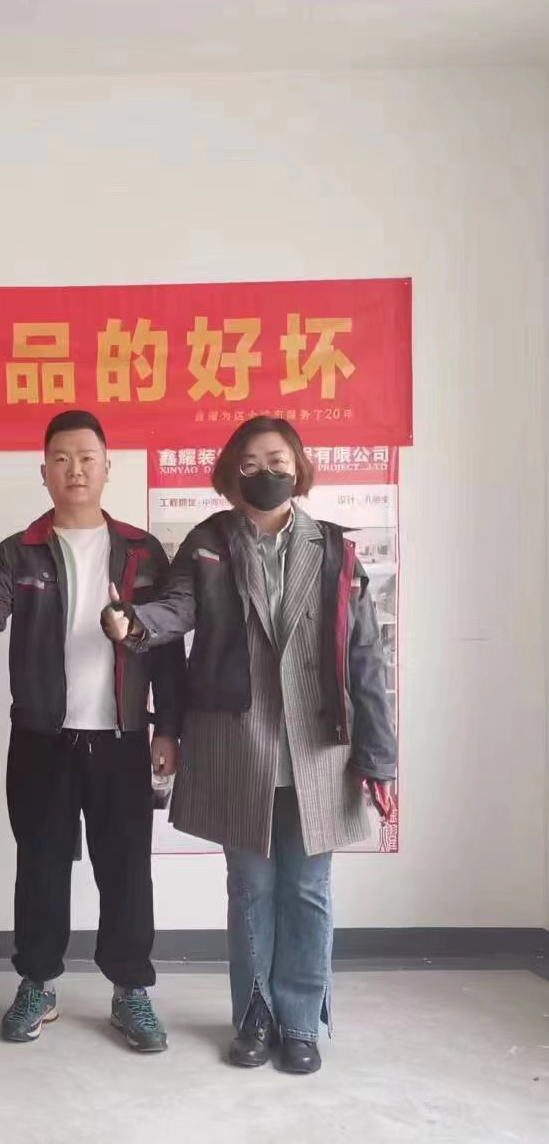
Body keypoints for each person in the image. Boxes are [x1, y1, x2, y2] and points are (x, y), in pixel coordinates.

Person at [103, 416, 397, 1076]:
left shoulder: (335, 548)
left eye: (278, 459)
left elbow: (366, 658)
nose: (267, 471)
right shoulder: (210, 541)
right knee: (251, 887)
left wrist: (379, 757)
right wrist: (134, 623)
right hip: (240, 741)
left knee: (309, 889)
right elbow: (177, 608)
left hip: (319, 746)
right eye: (252, 461)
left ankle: (301, 1022)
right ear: (232, 471)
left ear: (298, 466)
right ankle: (255, 1016)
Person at [0, 410, 185, 1052]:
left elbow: (166, 645)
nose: (75, 469)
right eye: (61, 458)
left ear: (108, 468)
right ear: (44, 471)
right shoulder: (19, 550)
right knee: (41, 866)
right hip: (42, 741)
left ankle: (130, 990)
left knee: (126, 869)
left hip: (121, 740)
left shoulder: (142, 550)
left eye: (86, 457)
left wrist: (168, 726)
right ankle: (37, 984)